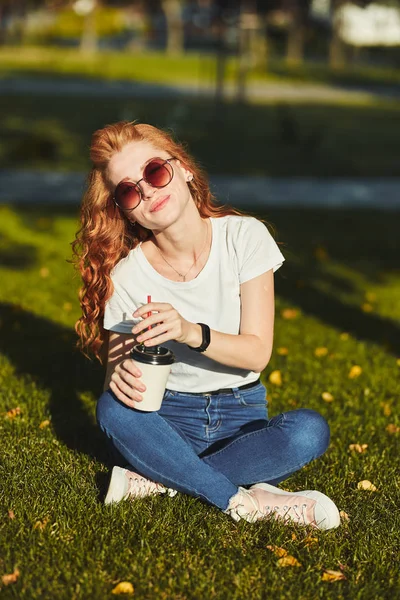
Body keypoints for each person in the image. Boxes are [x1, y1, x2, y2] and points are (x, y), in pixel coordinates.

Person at [73, 121, 340, 530]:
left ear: (183, 169)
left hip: (241, 414)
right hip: (167, 418)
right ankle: (240, 499)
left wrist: (187, 331)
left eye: (154, 172)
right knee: (111, 410)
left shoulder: (244, 237)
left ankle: (162, 478)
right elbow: (119, 382)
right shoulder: (127, 277)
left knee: (308, 432)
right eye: (128, 190)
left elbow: (256, 353)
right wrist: (122, 376)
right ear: (122, 208)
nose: (147, 191)